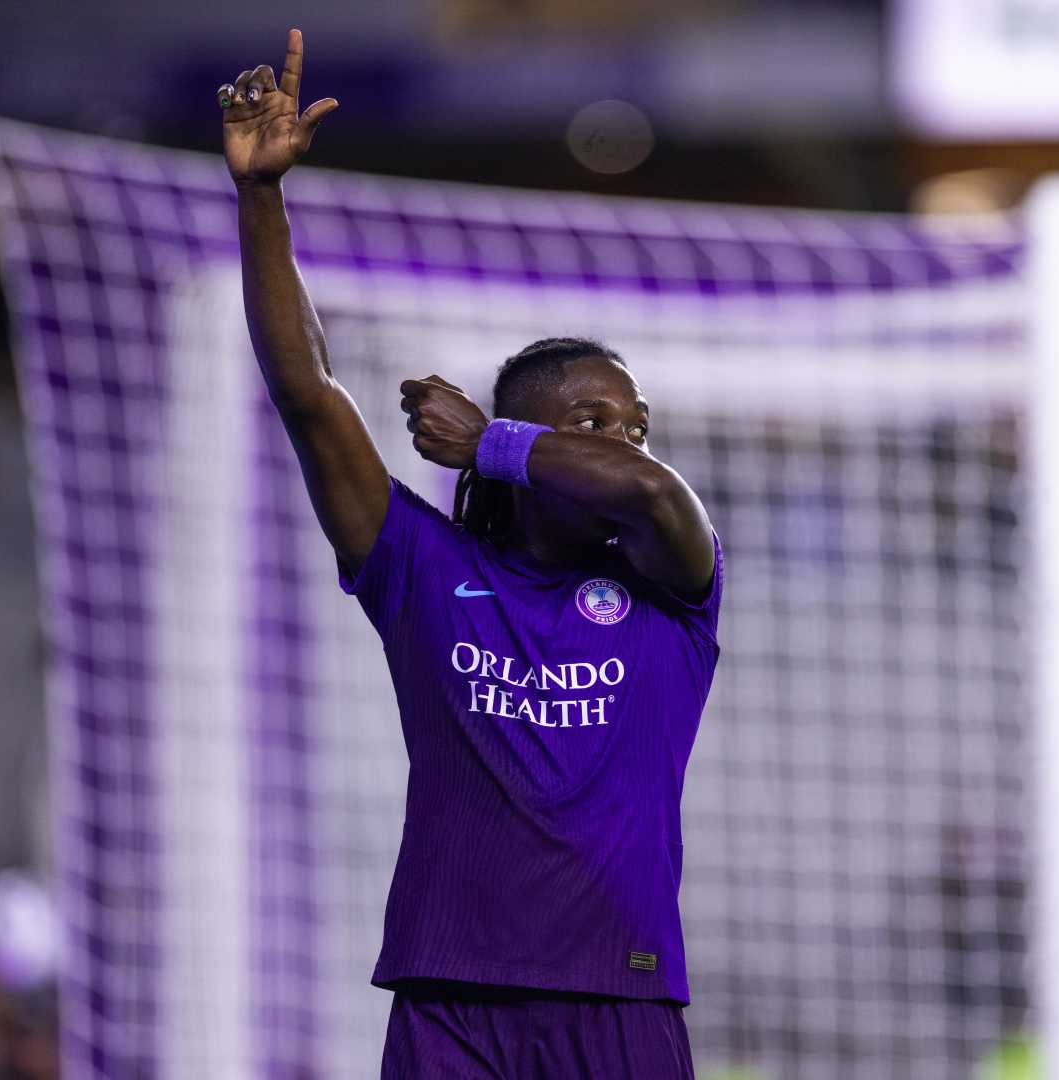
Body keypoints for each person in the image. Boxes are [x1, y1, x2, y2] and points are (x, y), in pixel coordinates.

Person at [219, 30, 723, 1078]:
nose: (622, 441)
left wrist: (494, 443)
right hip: (450, 1000)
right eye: (592, 418)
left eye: (633, 422)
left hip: (618, 998)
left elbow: (653, 492)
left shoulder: (672, 591)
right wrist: (262, 201)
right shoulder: (425, 571)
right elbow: (309, 396)